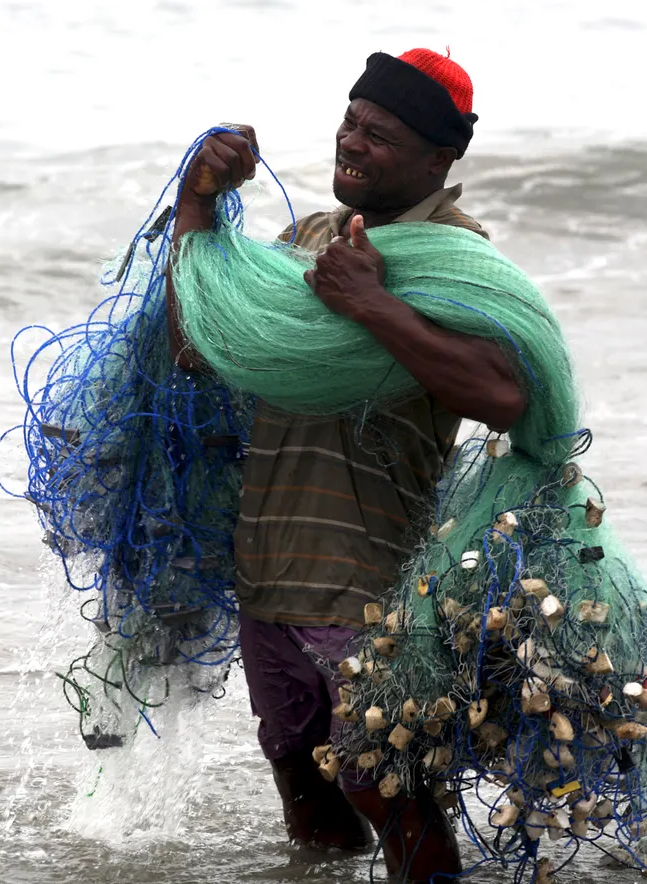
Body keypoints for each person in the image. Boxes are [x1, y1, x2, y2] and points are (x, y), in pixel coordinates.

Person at [165, 49, 528, 883]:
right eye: (350, 121)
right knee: (300, 776)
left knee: (384, 782)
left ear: (439, 160)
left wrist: (371, 302)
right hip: (270, 567)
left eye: (381, 134)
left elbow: (501, 396)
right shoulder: (308, 242)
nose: (351, 143)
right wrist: (198, 202)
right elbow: (196, 349)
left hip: (370, 581)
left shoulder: (458, 259)